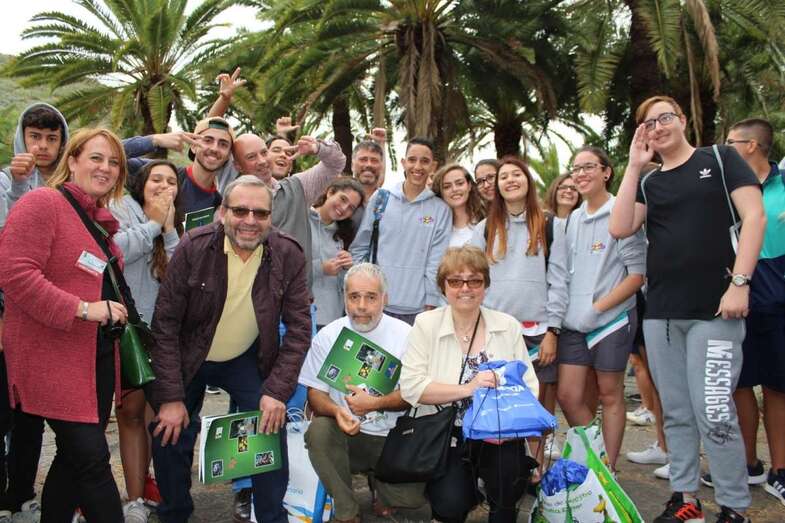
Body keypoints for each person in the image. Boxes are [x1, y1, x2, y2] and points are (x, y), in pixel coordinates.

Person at [609, 95, 766, 523]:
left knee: (714, 409)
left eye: (665, 118)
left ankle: (734, 506)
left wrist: (740, 283)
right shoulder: (648, 182)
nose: (658, 127)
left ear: (681, 120)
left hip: (715, 310)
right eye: (648, 123)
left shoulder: (720, 159)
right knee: (675, 410)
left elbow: (754, 218)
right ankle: (685, 499)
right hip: (661, 313)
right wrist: (634, 165)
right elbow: (620, 226)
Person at [148, 175, 311, 523]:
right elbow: (164, 324)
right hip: (188, 356)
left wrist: (277, 391)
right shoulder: (194, 247)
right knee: (169, 430)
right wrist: (171, 397)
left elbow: (299, 330)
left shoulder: (288, 254)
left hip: (243, 357)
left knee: (270, 424)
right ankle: (174, 513)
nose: (250, 221)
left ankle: (269, 516)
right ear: (222, 212)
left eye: (260, 213)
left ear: (271, 216)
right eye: (240, 210)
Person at [0, 128, 132, 522]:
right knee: (92, 460)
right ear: (71, 161)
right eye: (95, 158)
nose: (105, 168)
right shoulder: (43, 203)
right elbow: (14, 273)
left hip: (95, 358)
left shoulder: (102, 224)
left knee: (73, 461)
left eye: (113, 162)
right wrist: (82, 308)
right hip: (52, 356)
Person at [399, 245, 539, 523]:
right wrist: (468, 388)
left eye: (474, 280)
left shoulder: (508, 325)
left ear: (485, 286)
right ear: (443, 287)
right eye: (455, 281)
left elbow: (530, 387)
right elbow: (411, 387)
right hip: (448, 433)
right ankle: (468, 493)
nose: (465, 288)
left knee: (508, 480)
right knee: (450, 504)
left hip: (498, 432)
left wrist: (508, 422)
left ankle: (502, 507)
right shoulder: (426, 324)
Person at [543, 146, 646, 472]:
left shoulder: (623, 212)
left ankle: (608, 470)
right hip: (574, 323)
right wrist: (560, 319)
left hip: (611, 320)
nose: (581, 174)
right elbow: (560, 273)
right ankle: (595, 458)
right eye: (575, 168)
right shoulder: (572, 218)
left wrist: (598, 307)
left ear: (606, 172)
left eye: (589, 167)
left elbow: (637, 276)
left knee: (610, 394)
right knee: (569, 396)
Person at [299, 263, 426, 522]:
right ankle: (347, 511)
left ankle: (382, 487)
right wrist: (336, 411)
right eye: (354, 296)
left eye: (371, 297)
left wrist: (374, 403)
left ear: (385, 299)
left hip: (393, 438)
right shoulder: (328, 335)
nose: (361, 306)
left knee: (418, 509)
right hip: (348, 436)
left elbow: (413, 395)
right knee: (318, 431)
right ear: (345, 297)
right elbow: (315, 394)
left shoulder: (406, 335)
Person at [705, 118, 785, 501]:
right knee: (737, 384)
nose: (724, 148)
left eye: (730, 142)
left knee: (776, 387)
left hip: (776, 300)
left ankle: (781, 469)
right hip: (730, 299)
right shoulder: (720, 188)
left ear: (751, 146)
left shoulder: (783, 186)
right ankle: (747, 463)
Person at [109, 160, 184, 521]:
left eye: (172, 181)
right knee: (130, 413)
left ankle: (145, 481)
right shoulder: (121, 208)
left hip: (163, 337)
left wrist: (168, 229)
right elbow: (115, 254)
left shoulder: (173, 222)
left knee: (156, 417)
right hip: (127, 332)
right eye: (157, 178)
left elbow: (182, 271)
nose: (164, 186)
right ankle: (134, 498)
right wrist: (153, 223)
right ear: (141, 183)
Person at [468, 156, 553, 471]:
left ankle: (535, 468)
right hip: (497, 332)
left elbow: (558, 279)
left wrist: (554, 331)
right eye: (503, 176)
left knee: (537, 403)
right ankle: (499, 470)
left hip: (539, 331)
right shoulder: (485, 228)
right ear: (496, 187)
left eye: (517, 174)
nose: (510, 180)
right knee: (497, 402)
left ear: (528, 180)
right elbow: (474, 277)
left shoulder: (548, 224)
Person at [349, 137, 451, 325]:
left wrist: (431, 301)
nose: (417, 166)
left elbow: (436, 261)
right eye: (412, 160)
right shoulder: (381, 199)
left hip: (419, 310)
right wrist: (363, 291)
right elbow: (360, 248)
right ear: (403, 163)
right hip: (377, 306)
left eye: (424, 161)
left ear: (433, 166)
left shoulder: (440, 209)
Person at [310, 178, 366, 329]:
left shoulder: (345, 234)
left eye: (351, 208)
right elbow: (289, 268)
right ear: (330, 192)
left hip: (333, 318)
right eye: (342, 199)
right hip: (305, 315)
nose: (343, 208)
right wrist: (322, 268)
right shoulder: (302, 221)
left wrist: (349, 267)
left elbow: (344, 284)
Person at [431, 163, 485, 247]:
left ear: (469, 186)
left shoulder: (486, 221)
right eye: (447, 187)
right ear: (440, 192)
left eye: (459, 183)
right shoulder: (435, 227)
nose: (454, 189)